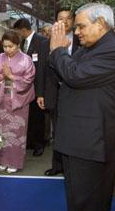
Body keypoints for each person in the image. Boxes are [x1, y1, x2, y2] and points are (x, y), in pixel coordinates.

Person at [49, 3, 115, 211]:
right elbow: (66, 74)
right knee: (82, 200)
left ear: (100, 23)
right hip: (80, 141)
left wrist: (58, 50)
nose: (76, 32)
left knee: (88, 203)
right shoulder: (92, 48)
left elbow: (74, 76)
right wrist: (59, 54)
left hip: (92, 144)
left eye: (81, 26)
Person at [0, 30, 35, 173]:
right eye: (5, 46)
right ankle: (2, 159)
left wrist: (11, 76)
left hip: (19, 100)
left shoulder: (26, 60)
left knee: (17, 131)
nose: (7, 50)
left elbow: (28, 79)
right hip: (2, 98)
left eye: (11, 46)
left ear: (18, 45)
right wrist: (3, 75)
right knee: (1, 129)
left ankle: (14, 161)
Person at [42, 9, 80, 176]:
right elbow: (42, 70)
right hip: (55, 92)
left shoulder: (83, 40)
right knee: (58, 131)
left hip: (77, 93)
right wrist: (40, 94)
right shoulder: (47, 42)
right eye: (61, 19)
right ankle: (58, 166)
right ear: (56, 21)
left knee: (76, 130)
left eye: (68, 18)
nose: (64, 22)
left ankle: (74, 168)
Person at [13, 18, 49, 156]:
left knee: (38, 117)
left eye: (17, 31)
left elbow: (42, 67)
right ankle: (30, 142)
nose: (18, 34)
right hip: (24, 87)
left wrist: (41, 91)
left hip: (37, 85)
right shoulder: (22, 43)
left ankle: (39, 144)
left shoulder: (42, 41)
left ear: (23, 29)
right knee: (29, 116)